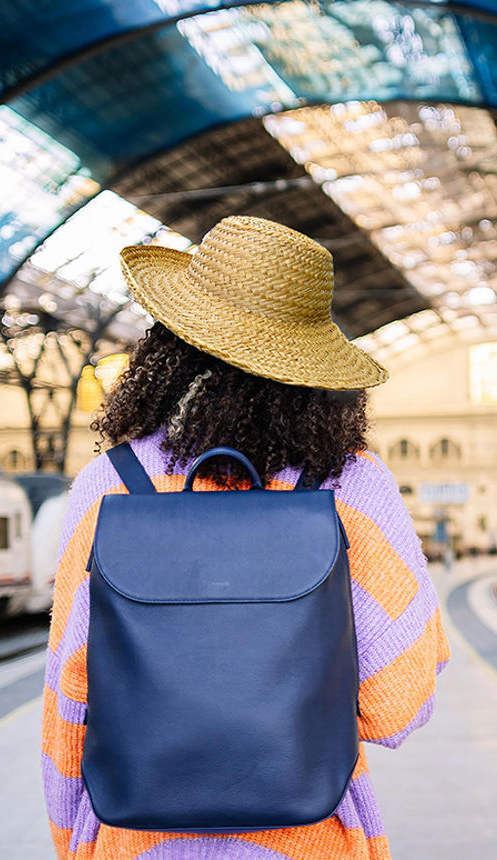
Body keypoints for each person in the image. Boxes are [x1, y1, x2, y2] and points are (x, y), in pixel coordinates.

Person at [41, 215, 449, 860]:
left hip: (135, 839)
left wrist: (72, 841)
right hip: (306, 834)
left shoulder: (108, 483)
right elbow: (400, 702)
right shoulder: (350, 486)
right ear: (314, 372)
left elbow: (70, 692)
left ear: (166, 349)